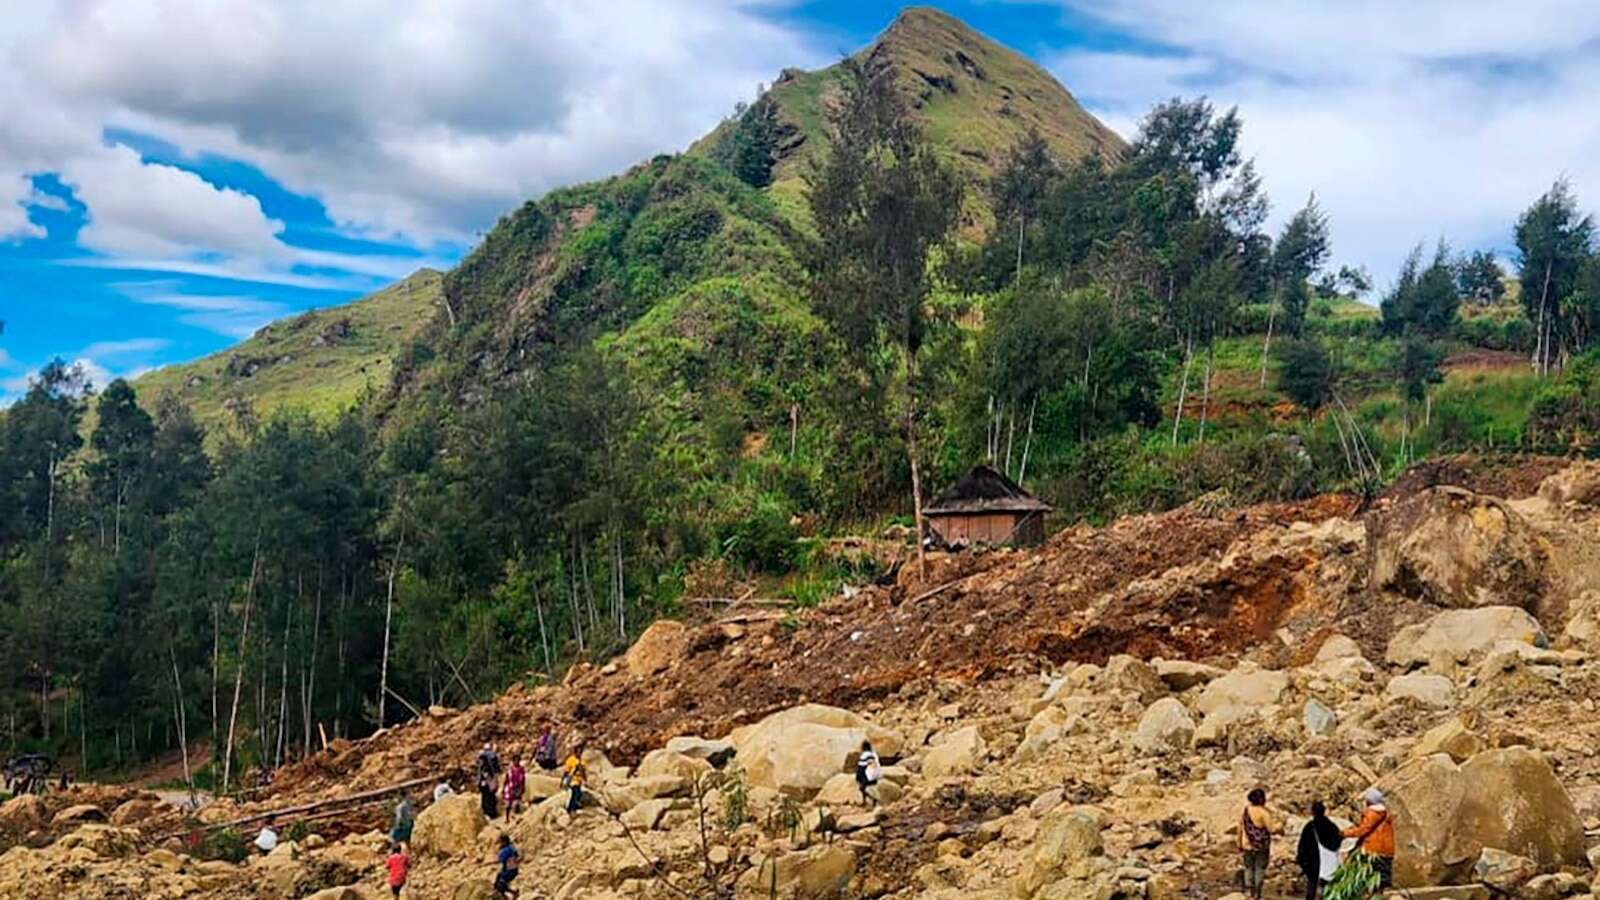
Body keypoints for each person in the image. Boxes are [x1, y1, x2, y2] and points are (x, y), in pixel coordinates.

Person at [1343, 788, 1396, 889]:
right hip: (1387, 850)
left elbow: (1363, 829)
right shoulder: (1384, 812)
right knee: (1383, 879)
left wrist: (1344, 833)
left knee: (1373, 878)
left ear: (1369, 801)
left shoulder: (1373, 813)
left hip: (1375, 850)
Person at [1295, 800, 1342, 900]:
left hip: (1313, 861)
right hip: (1329, 862)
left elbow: (1303, 845)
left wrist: (1301, 860)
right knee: (1327, 887)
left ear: (1313, 812)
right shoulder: (1332, 826)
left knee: (1312, 886)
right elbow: (1338, 841)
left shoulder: (1310, 827)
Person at [1238, 788, 1277, 900]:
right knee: (1260, 868)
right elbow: (1271, 829)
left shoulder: (1246, 811)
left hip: (1247, 844)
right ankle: (1257, 893)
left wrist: (1239, 842)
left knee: (1248, 867)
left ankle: (1248, 891)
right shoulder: (1264, 813)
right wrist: (1280, 826)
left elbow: (1240, 828)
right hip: (1261, 846)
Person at [477, 742, 502, 819]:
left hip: (484, 780)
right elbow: (496, 769)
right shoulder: (492, 757)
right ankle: (491, 813)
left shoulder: (482, 758)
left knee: (485, 796)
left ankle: (487, 812)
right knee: (490, 796)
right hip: (489, 779)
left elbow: (480, 771)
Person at [562, 743, 588, 814]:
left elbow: (583, 772)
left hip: (579, 780)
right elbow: (566, 771)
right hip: (572, 779)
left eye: (580, 752)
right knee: (575, 793)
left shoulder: (582, 761)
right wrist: (563, 780)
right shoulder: (571, 760)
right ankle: (571, 808)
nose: (579, 753)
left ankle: (573, 806)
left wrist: (585, 780)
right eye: (578, 752)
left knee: (578, 794)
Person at [493, 833, 520, 898]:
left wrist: (485, 864)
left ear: (504, 842)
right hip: (512, 869)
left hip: (509, 870)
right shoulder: (511, 847)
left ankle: (507, 896)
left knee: (500, 885)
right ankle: (513, 893)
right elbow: (517, 856)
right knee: (498, 882)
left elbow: (499, 860)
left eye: (501, 842)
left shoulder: (506, 850)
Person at [855, 740, 881, 807]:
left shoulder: (866, 755)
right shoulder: (874, 754)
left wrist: (857, 777)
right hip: (875, 776)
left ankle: (869, 799)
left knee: (861, 787)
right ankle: (868, 800)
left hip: (868, 777)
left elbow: (862, 767)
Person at [503, 757, 527, 821]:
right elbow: (506, 779)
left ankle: (514, 817)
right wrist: (504, 788)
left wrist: (522, 787)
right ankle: (507, 818)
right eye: (515, 761)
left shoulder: (521, 769)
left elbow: (523, 779)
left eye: (517, 760)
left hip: (517, 788)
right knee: (507, 804)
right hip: (510, 787)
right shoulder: (510, 770)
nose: (516, 762)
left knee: (515, 803)